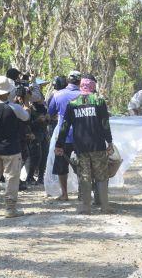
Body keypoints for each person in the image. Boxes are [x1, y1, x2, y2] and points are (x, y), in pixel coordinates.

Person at [56, 74, 114, 214]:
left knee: (85, 177)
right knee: (101, 176)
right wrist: (109, 141)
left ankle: (86, 207)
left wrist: (59, 144)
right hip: (98, 145)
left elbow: (65, 125)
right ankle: (105, 207)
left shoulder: (73, 103)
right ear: (93, 86)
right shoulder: (99, 101)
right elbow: (105, 124)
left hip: (80, 147)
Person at [0, 76, 30, 218]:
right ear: (8, 92)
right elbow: (26, 117)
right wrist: (26, 102)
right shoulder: (15, 108)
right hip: (11, 149)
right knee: (12, 179)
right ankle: (10, 208)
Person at [47, 70, 81, 200]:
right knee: (83, 164)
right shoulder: (84, 95)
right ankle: (82, 192)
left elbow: (50, 113)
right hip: (81, 136)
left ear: (68, 81)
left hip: (63, 135)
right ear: (79, 81)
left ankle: (65, 194)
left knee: (61, 165)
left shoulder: (58, 95)